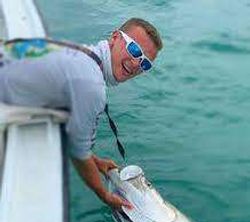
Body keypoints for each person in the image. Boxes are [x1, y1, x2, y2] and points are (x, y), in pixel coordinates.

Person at [0, 18, 163, 210]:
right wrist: (105, 195)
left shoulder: (84, 56)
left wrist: (96, 162)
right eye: (135, 50)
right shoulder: (91, 85)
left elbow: (77, 139)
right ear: (115, 38)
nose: (137, 63)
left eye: (145, 64)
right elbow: (79, 152)